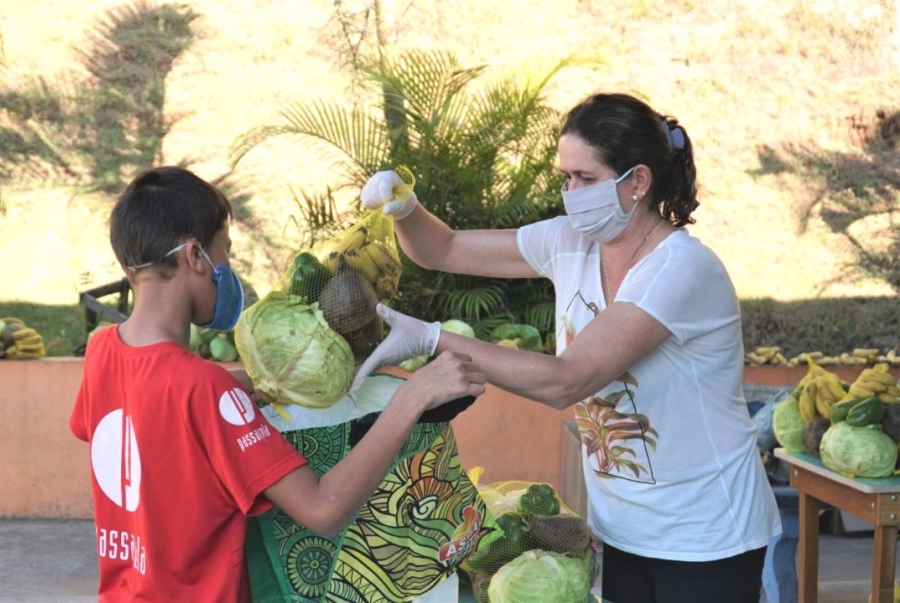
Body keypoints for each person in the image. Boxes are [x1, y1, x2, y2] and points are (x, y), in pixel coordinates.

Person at [355, 92, 782, 603]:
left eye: (587, 178)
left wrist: (431, 339)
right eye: (566, 177)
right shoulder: (570, 242)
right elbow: (441, 248)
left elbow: (568, 380)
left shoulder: (680, 270)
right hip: (625, 530)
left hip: (706, 534)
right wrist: (407, 209)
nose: (571, 191)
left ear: (637, 182)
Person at [69, 166, 486, 602]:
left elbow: (146, 409)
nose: (227, 267)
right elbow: (323, 510)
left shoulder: (103, 352)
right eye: (224, 251)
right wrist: (414, 397)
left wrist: (267, 378)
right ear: (195, 256)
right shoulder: (206, 391)